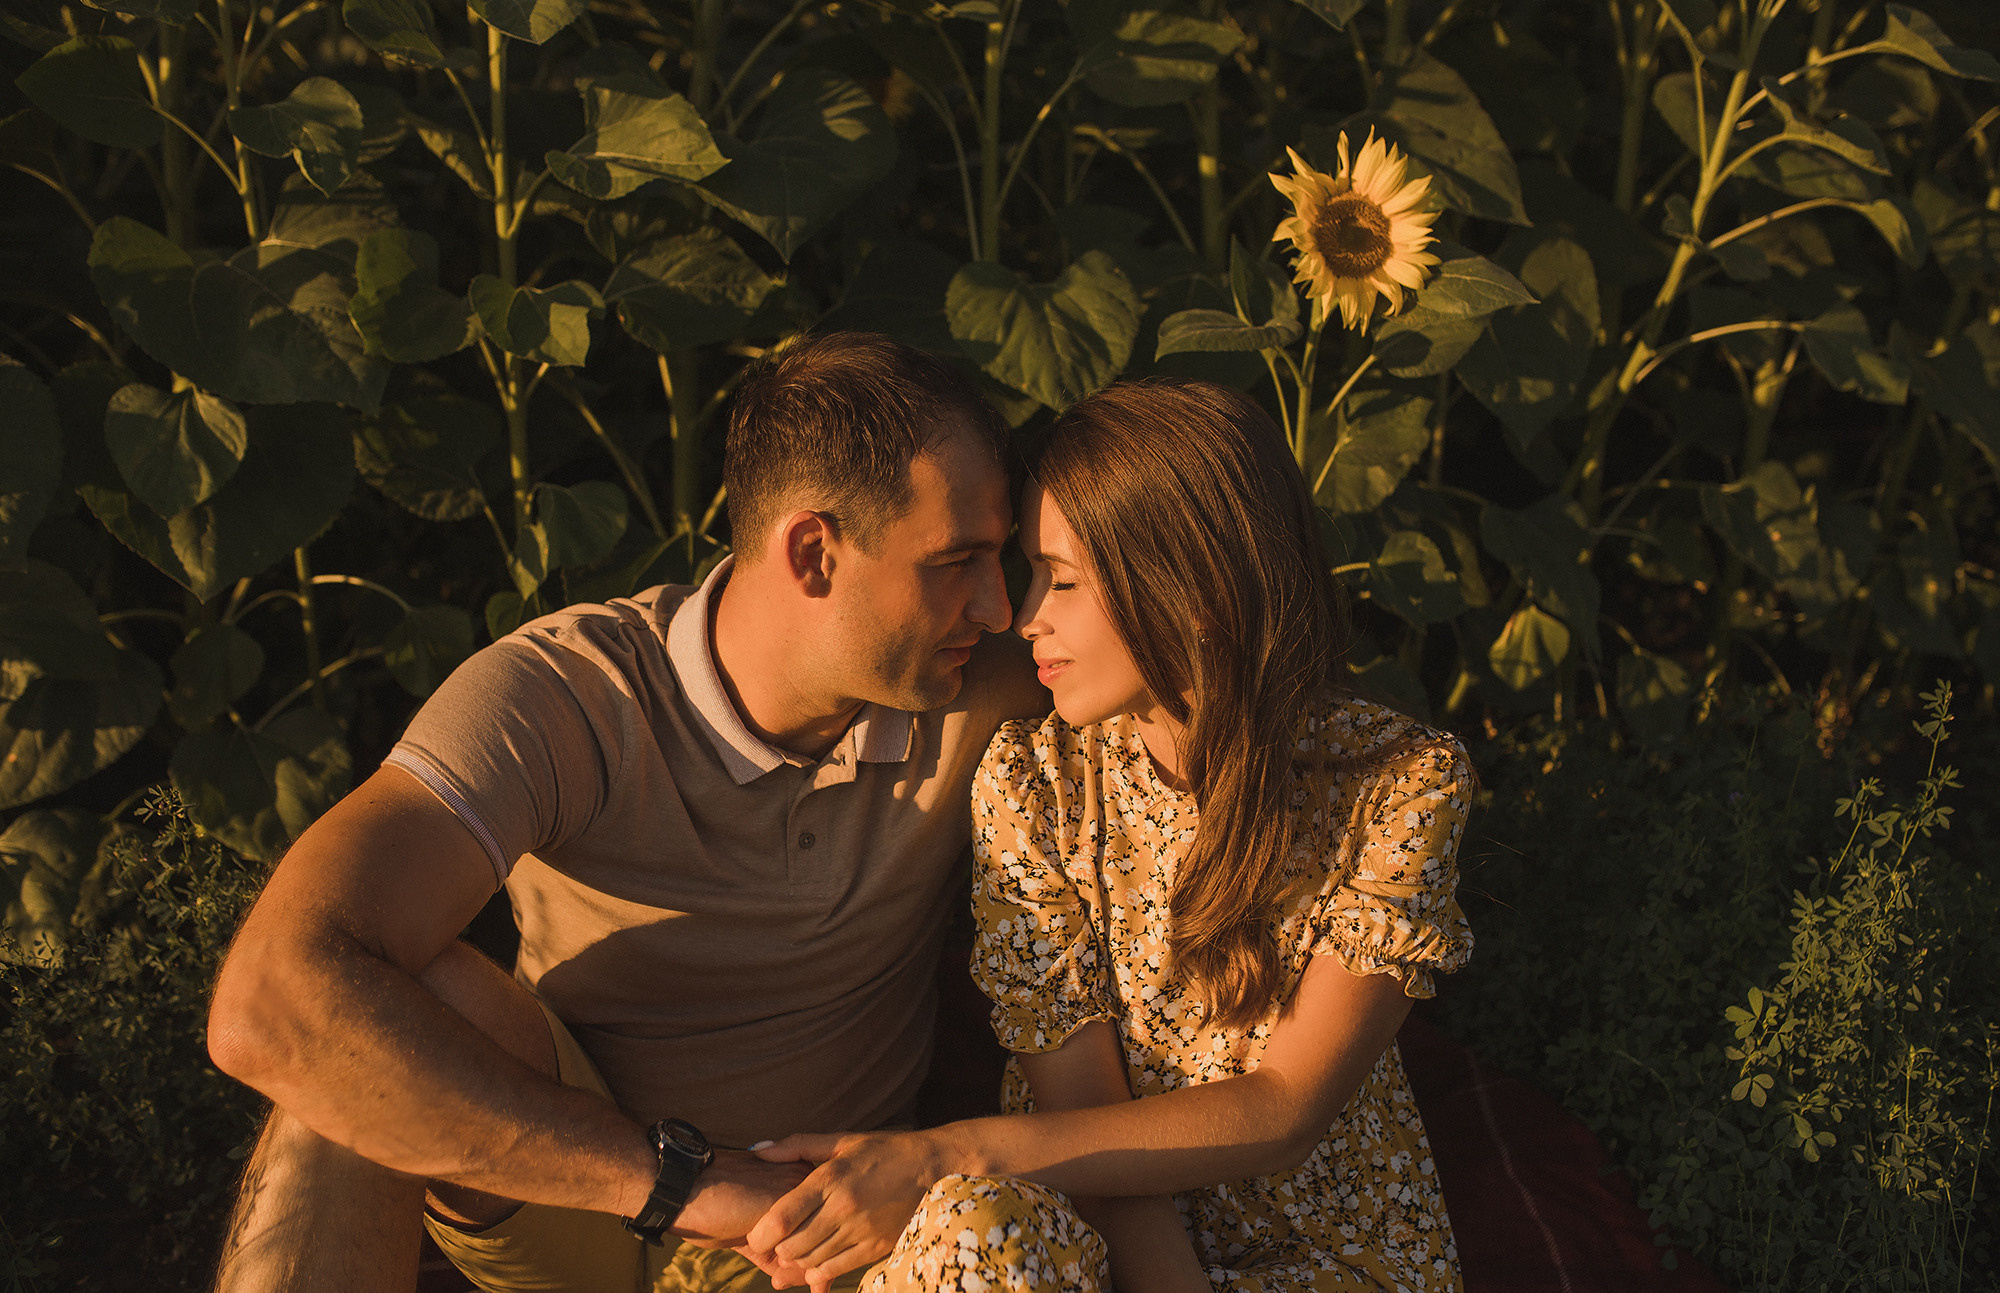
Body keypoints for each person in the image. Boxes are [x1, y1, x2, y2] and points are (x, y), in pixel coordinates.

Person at [202, 331, 1050, 1293]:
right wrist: (679, 1181)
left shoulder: (981, 684)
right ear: (814, 552)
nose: (999, 607)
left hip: (829, 1239)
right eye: (958, 561)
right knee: (353, 1029)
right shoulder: (565, 695)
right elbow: (266, 1002)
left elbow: (1209, 672)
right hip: (581, 1214)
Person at [739, 378, 1476, 1292]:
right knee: (977, 1226)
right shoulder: (1033, 783)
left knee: (960, 1189)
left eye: (1066, 580)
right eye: (1031, 572)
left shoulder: (1398, 783)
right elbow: (1080, 1104)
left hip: (1328, 1253)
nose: (1020, 614)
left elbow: (1288, 1108)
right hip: (1085, 1225)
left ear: (1196, 590)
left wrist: (940, 1153)